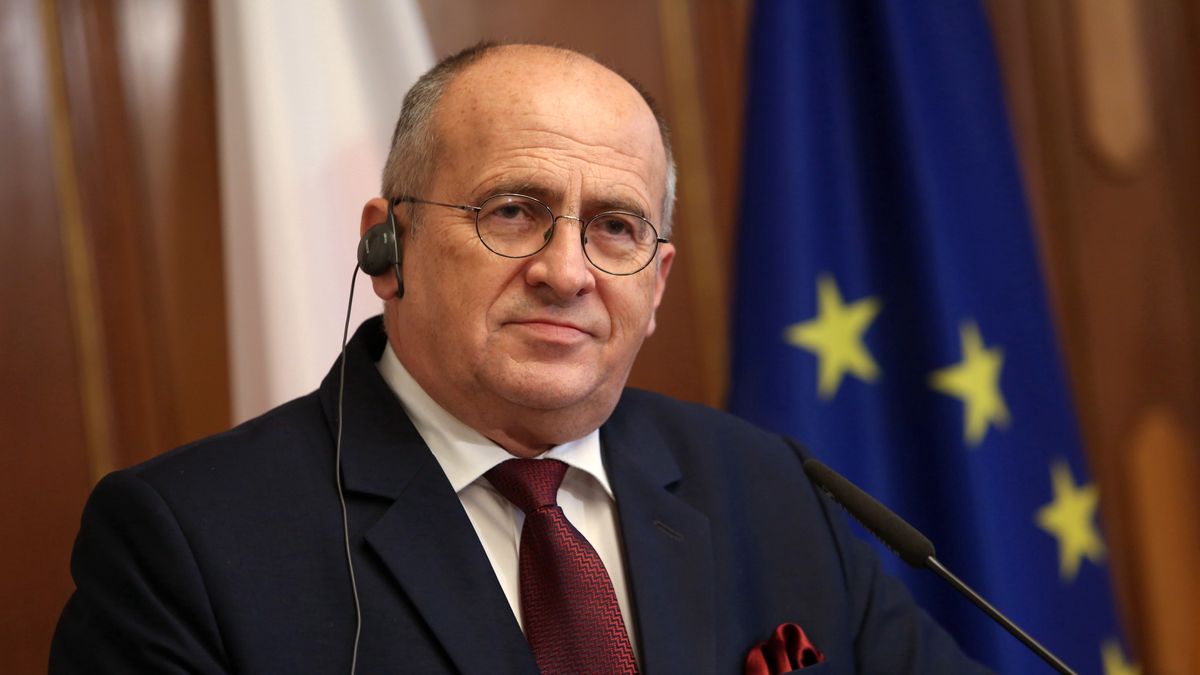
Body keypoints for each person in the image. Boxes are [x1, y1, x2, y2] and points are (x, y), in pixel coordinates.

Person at [50, 42, 989, 674]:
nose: (566, 272)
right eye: (513, 211)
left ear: (656, 284)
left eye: (615, 228)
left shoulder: (772, 488)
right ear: (390, 248)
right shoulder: (185, 544)